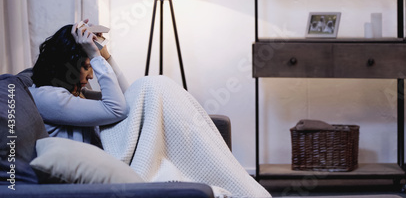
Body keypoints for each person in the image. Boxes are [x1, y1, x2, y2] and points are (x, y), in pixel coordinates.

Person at [29, 20, 271, 198]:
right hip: (111, 155)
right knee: (152, 85)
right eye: (86, 66)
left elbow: (127, 96)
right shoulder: (48, 97)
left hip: (112, 146)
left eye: (91, 65)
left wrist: (106, 55)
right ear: (66, 64)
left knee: (154, 88)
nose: (91, 73)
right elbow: (117, 110)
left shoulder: (67, 93)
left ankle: (242, 187)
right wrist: (97, 58)